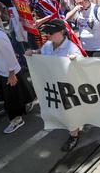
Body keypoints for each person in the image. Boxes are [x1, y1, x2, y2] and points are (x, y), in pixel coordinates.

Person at [26, 19, 82, 150]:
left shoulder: (71, 48)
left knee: (69, 111)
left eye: (51, 33)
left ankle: (74, 135)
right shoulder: (48, 45)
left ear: (62, 32)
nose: (48, 35)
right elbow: (41, 51)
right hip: (52, 84)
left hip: (67, 87)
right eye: (47, 33)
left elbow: (81, 65)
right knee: (60, 109)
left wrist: (75, 61)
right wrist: (33, 52)